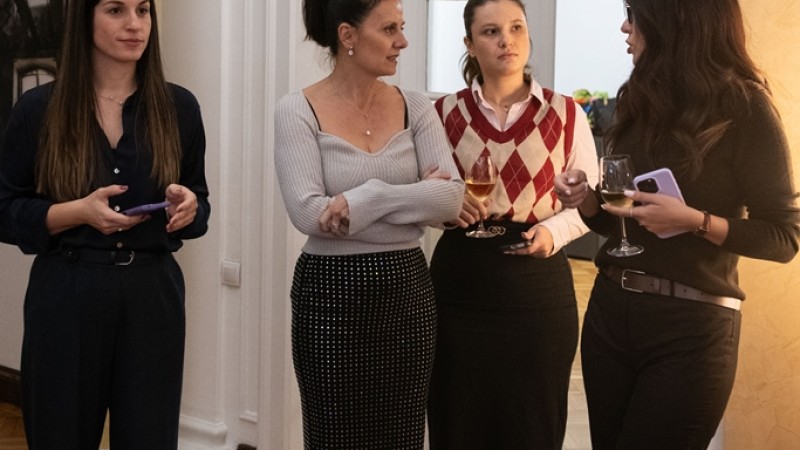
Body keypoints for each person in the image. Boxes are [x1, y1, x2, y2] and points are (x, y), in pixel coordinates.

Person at [554, 0, 800, 448]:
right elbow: (619, 224)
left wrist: (695, 221)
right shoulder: (636, 98)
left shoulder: (746, 108)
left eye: (634, 13)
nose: (624, 26)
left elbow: (784, 238)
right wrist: (586, 198)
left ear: (673, 19)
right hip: (610, 314)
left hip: (692, 330)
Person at [0, 0, 210, 448]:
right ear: (85, 19)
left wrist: (190, 207)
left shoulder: (180, 108)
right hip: (65, 295)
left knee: (149, 438)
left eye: (143, 10)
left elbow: (200, 204)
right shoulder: (39, 109)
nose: (135, 24)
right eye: (116, 10)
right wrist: (78, 212)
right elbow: (5, 211)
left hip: (152, 297)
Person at [273, 0, 464, 448]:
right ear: (348, 35)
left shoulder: (416, 107)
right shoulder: (297, 110)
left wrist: (368, 198)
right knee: (333, 437)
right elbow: (309, 214)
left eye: (402, 27)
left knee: (402, 437)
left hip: (407, 292)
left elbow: (451, 199)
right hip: (328, 294)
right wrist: (417, 196)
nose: (403, 41)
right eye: (389, 29)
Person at [425, 0, 598, 448]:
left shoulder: (567, 114)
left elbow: (590, 203)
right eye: (491, 31)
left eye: (516, 27)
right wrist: (444, 206)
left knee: (532, 427)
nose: (507, 40)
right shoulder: (440, 114)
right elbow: (424, 195)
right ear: (469, 44)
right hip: (459, 289)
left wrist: (552, 233)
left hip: (538, 291)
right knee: (457, 423)